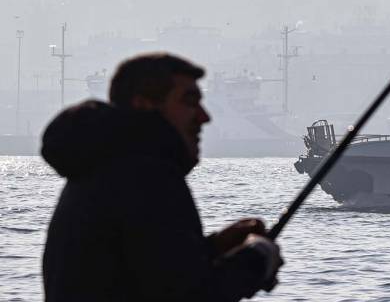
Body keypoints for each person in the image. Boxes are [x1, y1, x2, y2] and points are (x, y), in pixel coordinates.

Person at [42, 53, 283, 301]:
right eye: (189, 101)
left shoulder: (102, 167)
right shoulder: (147, 176)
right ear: (144, 105)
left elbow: (143, 273)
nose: (204, 116)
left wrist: (212, 249)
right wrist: (258, 257)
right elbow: (192, 295)